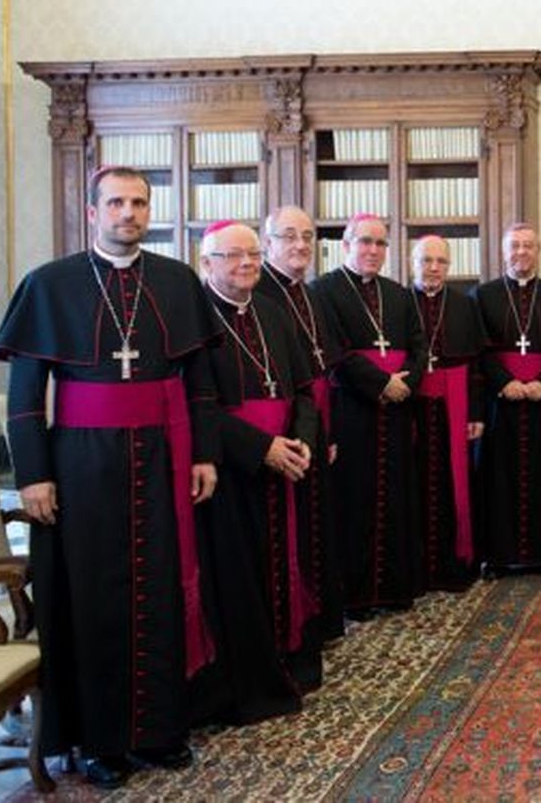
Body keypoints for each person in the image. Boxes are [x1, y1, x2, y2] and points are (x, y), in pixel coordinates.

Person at [0, 167, 220, 788]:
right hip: (80, 463)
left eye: (139, 202)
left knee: (160, 588)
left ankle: (160, 730)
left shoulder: (175, 281)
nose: (129, 212)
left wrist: (203, 455)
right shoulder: (49, 284)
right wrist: (34, 476)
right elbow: (22, 396)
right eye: (116, 202)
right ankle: (98, 739)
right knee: (93, 598)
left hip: (159, 457)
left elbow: (199, 383)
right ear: (93, 211)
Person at [190, 221, 315, 725]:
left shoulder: (272, 311)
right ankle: (250, 680)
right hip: (230, 470)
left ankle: (288, 661)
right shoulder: (194, 321)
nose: (247, 264)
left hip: (286, 462)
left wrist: (302, 437)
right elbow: (195, 405)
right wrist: (261, 448)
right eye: (233, 255)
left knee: (287, 564)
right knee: (239, 575)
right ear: (207, 263)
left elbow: (304, 387)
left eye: (254, 255)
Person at [310, 213, 425, 616]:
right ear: (346, 245)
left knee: (395, 496)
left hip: (396, 412)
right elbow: (333, 350)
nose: (372, 251)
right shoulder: (322, 291)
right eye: (365, 242)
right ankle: (356, 594)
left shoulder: (398, 294)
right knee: (354, 500)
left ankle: (394, 589)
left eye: (379, 243)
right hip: (352, 410)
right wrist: (380, 383)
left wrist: (406, 383)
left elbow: (419, 346)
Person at [257, 204, 345, 643]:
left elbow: (322, 370)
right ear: (267, 242)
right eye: (289, 236)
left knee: (317, 524)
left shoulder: (309, 294)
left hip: (313, 421)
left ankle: (319, 619)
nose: (300, 245)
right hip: (282, 428)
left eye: (308, 237)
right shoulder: (260, 295)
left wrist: (324, 433)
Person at [471, 224, 541, 577]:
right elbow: (477, 350)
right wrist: (504, 382)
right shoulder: (482, 296)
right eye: (514, 246)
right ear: (503, 252)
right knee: (496, 475)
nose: (521, 252)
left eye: (528, 246)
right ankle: (499, 554)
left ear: (538, 250)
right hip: (501, 401)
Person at [410, 235, 486, 590]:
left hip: (454, 403)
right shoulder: (400, 302)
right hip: (413, 404)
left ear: (449, 266)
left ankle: (455, 563)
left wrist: (476, 412)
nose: (434, 268)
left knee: (455, 481)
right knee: (413, 481)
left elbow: (476, 364)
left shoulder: (464, 304)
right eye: (426, 260)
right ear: (414, 263)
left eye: (441, 261)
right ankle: (418, 565)